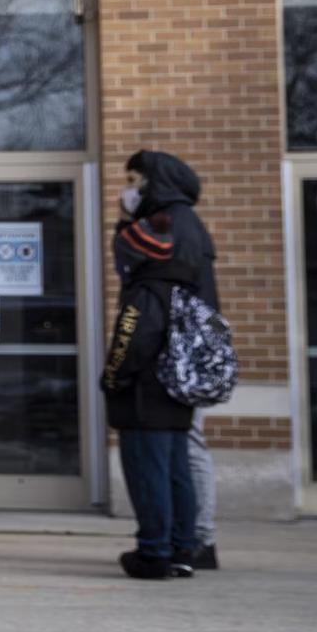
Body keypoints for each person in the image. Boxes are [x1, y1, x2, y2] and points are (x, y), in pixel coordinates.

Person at [126, 151, 222, 571]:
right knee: (182, 447)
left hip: (171, 354)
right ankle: (188, 541)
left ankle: (193, 540)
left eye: (136, 180)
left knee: (182, 448)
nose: (131, 189)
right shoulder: (185, 223)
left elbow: (154, 288)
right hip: (184, 348)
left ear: (155, 182)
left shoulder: (173, 226)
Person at [103, 208, 199, 579]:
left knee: (149, 474)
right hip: (177, 397)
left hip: (145, 400)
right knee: (177, 473)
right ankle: (180, 548)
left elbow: (129, 345)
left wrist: (111, 380)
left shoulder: (143, 295)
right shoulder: (183, 289)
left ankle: (153, 551)